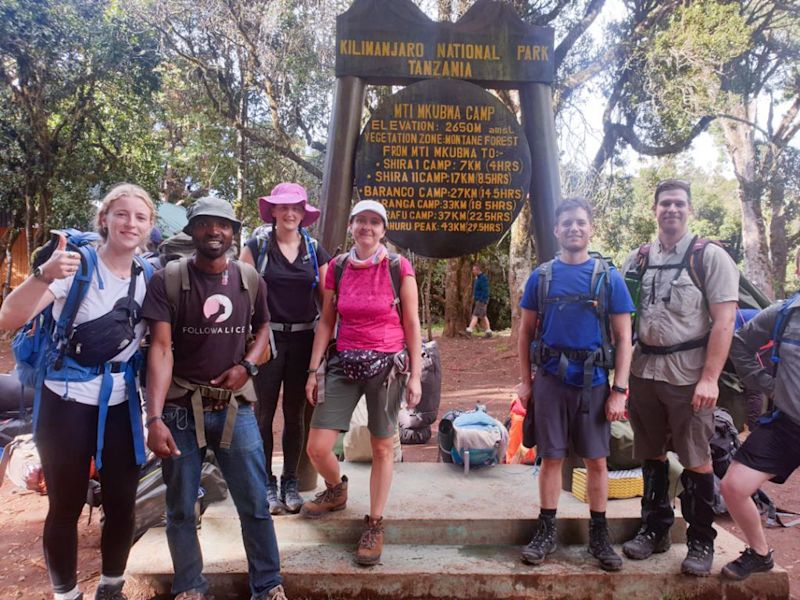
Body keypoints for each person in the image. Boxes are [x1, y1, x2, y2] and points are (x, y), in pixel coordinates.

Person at [0, 183, 156, 600]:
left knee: (123, 504)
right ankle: (66, 594)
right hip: (65, 401)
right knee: (66, 507)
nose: (130, 223)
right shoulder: (75, 266)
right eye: (121, 214)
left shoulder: (149, 276)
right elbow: (8, 317)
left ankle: (111, 588)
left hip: (121, 402)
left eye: (140, 217)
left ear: (149, 227)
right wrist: (42, 274)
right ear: (104, 218)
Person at [142, 197, 287, 600]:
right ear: (191, 231)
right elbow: (160, 349)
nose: (214, 231)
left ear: (232, 233)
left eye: (222, 225)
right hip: (181, 409)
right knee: (181, 507)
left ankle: (268, 584)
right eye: (205, 224)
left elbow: (264, 329)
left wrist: (248, 367)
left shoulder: (249, 278)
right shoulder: (167, 280)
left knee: (255, 503)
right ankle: (189, 587)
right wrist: (154, 419)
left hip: (235, 407)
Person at [620, 179, 738, 576]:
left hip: (688, 376)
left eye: (679, 204)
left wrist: (710, 378)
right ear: (654, 210)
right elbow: (621, 323)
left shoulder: (709, 257)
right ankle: (653, 530)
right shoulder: (637, 259)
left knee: (696, 459)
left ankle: (701, 541)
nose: (671, 209)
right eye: (664, 203)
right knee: (650, 454)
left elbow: (724, 322)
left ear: (689, 210)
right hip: (643, 372)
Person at [301, 199, 422, 566]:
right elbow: (326, 320)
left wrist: (415, 375)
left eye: (375, 222)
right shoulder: (336, 268)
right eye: (361, 221)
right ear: (351, 226)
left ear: (383, 229)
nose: (367, 228)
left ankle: (375, 522)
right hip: (343, 359)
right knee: (318, 446)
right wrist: (313, 369)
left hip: (387, 364)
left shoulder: (399, 268)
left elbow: (412, 323)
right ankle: (336, 490)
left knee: (382, 446)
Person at [516, 197, 634, 571]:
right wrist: (525, 382)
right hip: (551, 380)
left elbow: (623, 337)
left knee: (596, 460)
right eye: (566, 223)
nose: (573, 229)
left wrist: (620, 389)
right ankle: (546, 530)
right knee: (550, 458)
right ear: (556, 230)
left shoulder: (608, 277)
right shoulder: (542, 276)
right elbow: (525, 332)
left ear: (591, 228)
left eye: (580, 223)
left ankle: (599, 535)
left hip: (594, 383)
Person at [239, 182, 331, 514]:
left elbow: (327, 301)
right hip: (267, 340)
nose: (290, 213)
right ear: (274, 211)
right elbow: (239, 293)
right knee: (262, 414)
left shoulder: (314, 249)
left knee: (294, 415)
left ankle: (290, 481)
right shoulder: (256, 247)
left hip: (304, 339)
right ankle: (265, 483)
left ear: (304, 214)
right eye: (284, 207)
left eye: (297, 208)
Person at [720, 247, 800, 580]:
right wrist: (766, 384)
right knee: (734, 486)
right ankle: (759, 553)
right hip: (787, 424)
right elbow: (740, 343)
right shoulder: (782, 314)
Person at [465, 263, 492, 337]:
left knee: (475, 315)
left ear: (478, 270)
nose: (473, 271)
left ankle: (469, 330)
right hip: (479, 300)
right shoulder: (478, 278)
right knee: (483, 316)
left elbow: (485, 290)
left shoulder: (483, 278)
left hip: (482, 300)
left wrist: (481, 300)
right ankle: (488, 332)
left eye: (474, 270)